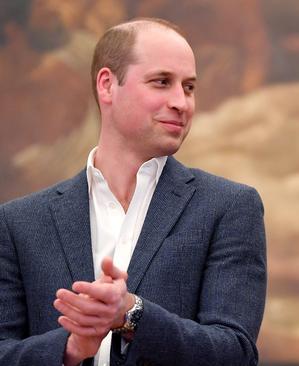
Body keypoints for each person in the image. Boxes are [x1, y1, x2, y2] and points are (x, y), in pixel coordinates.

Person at [0, 17, 266, 366]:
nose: (181, 103)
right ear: (107, 85)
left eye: (188, 87)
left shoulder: (229, 207)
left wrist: (132, 313)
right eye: (161, 82)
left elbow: (235, 352)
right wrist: (70, 348)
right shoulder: (18, 222)